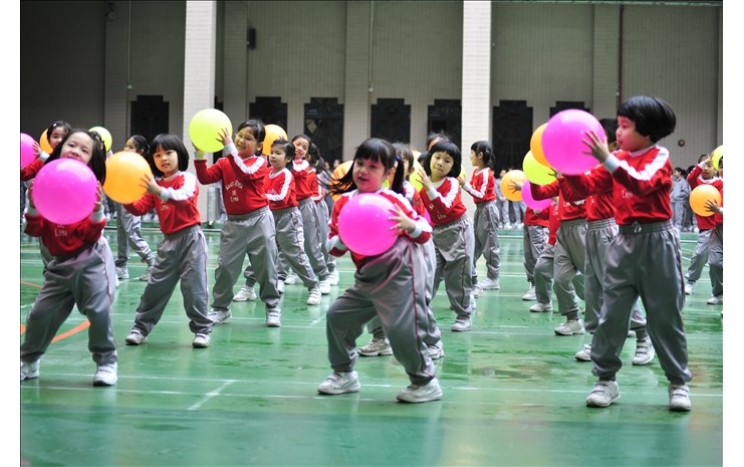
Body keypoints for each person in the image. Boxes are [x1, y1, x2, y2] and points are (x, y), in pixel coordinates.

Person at [576, 95, 692, 411]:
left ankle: (678, 383)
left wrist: (606, 159)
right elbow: (584, 187)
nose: (618, 132)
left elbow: (641, 184)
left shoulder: (659, 156)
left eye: (625, 126)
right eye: (619, 125)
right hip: (623, 241)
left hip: (658, 242)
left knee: (665, 316)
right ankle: (606, 380)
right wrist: (567, 168)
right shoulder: (617, 158)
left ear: (648, 131)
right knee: (611, 315)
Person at [317, 137, 441, 403]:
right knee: (338, 316)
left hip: (399, 271)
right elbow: (332, 248)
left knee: (400, 330)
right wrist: (343, 239)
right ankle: (344, 374)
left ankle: (424, 381)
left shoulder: (394, 200)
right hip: (367, 275)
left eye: (373, 166)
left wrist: (410, 225)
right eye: (360, 163)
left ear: (387, 173)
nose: (363, 170)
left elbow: (425, 233)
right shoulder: (343, 204)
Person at [21, 129, 118, 386]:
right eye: (71, 145)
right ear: (59, 150)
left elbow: (89, 234)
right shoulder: (46, 183)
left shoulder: (89, 188)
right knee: (39, 315)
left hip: (89, 259)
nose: (76, 151)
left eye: (84, 150)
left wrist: (97, 211)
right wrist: (32, 205)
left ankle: (106, 362)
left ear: (91, 161)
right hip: (58, 264)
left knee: (99, 312)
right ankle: (29, 361)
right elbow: (34, 229)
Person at [561, 118, 654, 366]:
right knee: (593, 292)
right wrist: (565, 169)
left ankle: (644, 336)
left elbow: (588, 188)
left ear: (613, 144)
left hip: (609, 231)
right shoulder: (596, 167)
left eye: (599, 139)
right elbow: (578, 192)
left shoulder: (615, 167)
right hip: (592, 230)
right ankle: (598, 341)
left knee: (616, 289)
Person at [123, 133, 213, 347]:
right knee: (155, 287)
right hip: (168, 243)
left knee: (194, 289)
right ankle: (140, 328)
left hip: (191, 240)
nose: (163, 158)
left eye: (168, 153)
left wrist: (160, 191)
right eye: (157, 155)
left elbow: (184, 198)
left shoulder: (187, 179)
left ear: (179, 154)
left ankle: (202, 330)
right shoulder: (155, 185)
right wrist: (124, 196)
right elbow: (140, 208)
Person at [358, 142, 444, 359]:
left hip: (414, 251)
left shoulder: (409, 192)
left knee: (416, 300)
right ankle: (380, 338)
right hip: (384, 252)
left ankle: (432, 342)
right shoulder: (377, 191)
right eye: (389, 161)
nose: (394, 165)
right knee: (376, 294)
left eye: (400, 161)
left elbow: (414, 229)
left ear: (411, 169)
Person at [194, 121, 282, 327]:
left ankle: (272, 307)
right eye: (239, 135)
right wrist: (200, 153)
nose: (241, 140)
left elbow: (245, 172)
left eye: (248, 138)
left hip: (259, 221)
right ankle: (221, 308)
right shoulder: (225, 162)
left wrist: (228, 147)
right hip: (234, 224)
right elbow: (205, 178)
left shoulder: (260, 163)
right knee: (225, 268)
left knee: (266, 267)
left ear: (259, 146)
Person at [416, 139, 476, 332]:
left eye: (447, 160)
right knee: (429, 272)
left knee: (458, 276)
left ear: (453, 166)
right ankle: (419, 311)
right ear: (430, 158)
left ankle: (464, 315)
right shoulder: (422, 186)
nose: (441, 163)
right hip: (438, 232)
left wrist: (429, 188)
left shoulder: (452, 183)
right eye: (437, 157)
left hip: (458, 231)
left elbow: (445, 207)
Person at [264, 138, 321, 305]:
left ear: (288, 158)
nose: (273, 156)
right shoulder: (267, 172)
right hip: (269, 217)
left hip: (288, 218)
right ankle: (249, 286)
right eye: (271, 152)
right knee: (262, 251)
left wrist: (260, 197)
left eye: (278, 153)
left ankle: (313, 287)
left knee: (296, 255)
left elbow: (281, 197)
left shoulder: (287, 175)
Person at [527, 178, 587, 335]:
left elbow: (579, 199)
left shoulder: (584, 178)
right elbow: (539, 194)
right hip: (562, 234)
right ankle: (573, 319)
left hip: (582, 228)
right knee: (560, 280)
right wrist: (534, 179)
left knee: (596, 278)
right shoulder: (561, 180)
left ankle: (629, 322)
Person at [282, 134, 331, 294]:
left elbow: (296, 171)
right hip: (287, 208)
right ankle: (282, 277)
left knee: (311, 244)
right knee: (286, 245)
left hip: (305, 207)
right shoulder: (281, 165)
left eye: (304, 147)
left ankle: (323, 276)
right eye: (297, 144)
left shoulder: (304, 167)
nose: (300, 149)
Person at [21, 121, 73, 268]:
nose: (59, 140)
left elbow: (60, 170)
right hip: (46, 213)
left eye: (64, 136)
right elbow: (25, 174)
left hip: (67, 215)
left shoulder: (74, 160)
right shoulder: (41, 160)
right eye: (55, 136)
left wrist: (43, 157)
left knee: (67, 248)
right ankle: (49, 273)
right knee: (47, 246)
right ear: (49, 140)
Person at [113, 135, 156, 282]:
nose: (126, 149)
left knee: (131, 232)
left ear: (140, 151)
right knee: (121, 233)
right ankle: (121, 267)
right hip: (121, 200)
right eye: (126, 146)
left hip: (132, 202)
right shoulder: (123, 163)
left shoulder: (140, 166)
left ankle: (152, 262)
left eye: (131, 147)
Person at [460, 140, 501, 295]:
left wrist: (464, 185)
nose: (470, 156)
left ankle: (493, 278)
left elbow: (481, 195)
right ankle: (471, 273)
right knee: (475, 242)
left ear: (480, 155)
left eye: (472, 152)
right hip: (480, 210)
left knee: (490, 243)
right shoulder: (477, 172)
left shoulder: (485, 173)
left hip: (488, 210)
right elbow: (473, 189)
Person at [687, 154, 723, 304]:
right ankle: (691, 281)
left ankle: (719, 292)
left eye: (709, 165)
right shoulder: (698, 183)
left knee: (717, 262)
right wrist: (703, 163)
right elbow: (690, 178)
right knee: (700, 255)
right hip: (706, 228)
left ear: (715, 168)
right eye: (704, 165)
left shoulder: (719, 183)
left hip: (718, 225)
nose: (706, 168)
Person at [520, 205, 550, 301]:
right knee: (528, 257)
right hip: (529, 219)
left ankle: (541, 288)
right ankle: (534, 284)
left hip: (540, 221)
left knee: (539, 257)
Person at [670, 166, 690, 233]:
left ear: (679, 172)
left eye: (675, 172)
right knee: (672, 215)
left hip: (679, 201)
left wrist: (678, 195)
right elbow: (670, 190)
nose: (674, 174)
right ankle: (672, 226)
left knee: (679, 215)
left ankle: (678, 227)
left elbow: (686, 192)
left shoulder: (683, 182)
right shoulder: (674, 181)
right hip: (672, 200)